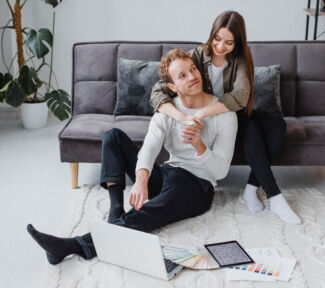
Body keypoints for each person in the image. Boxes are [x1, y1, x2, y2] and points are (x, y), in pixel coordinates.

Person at [27, 49, 238, 264]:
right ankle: (116, 210)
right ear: (172, 87)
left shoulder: (225, 114)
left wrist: (199, 145)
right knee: (113, 137)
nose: (193, 77)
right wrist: (141, 179)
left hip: (197, 185)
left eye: (193, 69)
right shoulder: (167, 111)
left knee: (147, 213)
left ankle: (75, 246)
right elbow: (149, 148)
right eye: (182, 75)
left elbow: (220, 171)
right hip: (169, 173)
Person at [150, 11, 301, 224]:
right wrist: (183, 116)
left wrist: (204, 112)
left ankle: (250, 189)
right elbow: (158, 91)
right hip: (213, 120)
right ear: (212, 35)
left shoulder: (239, 60)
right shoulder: (195, 56)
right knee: (252, 131)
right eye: (217, 39)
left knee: (276, 124)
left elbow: (241, 95)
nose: (221, 46)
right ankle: (275, 196)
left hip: (228, 114)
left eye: (229, 42)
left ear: (237, 42)